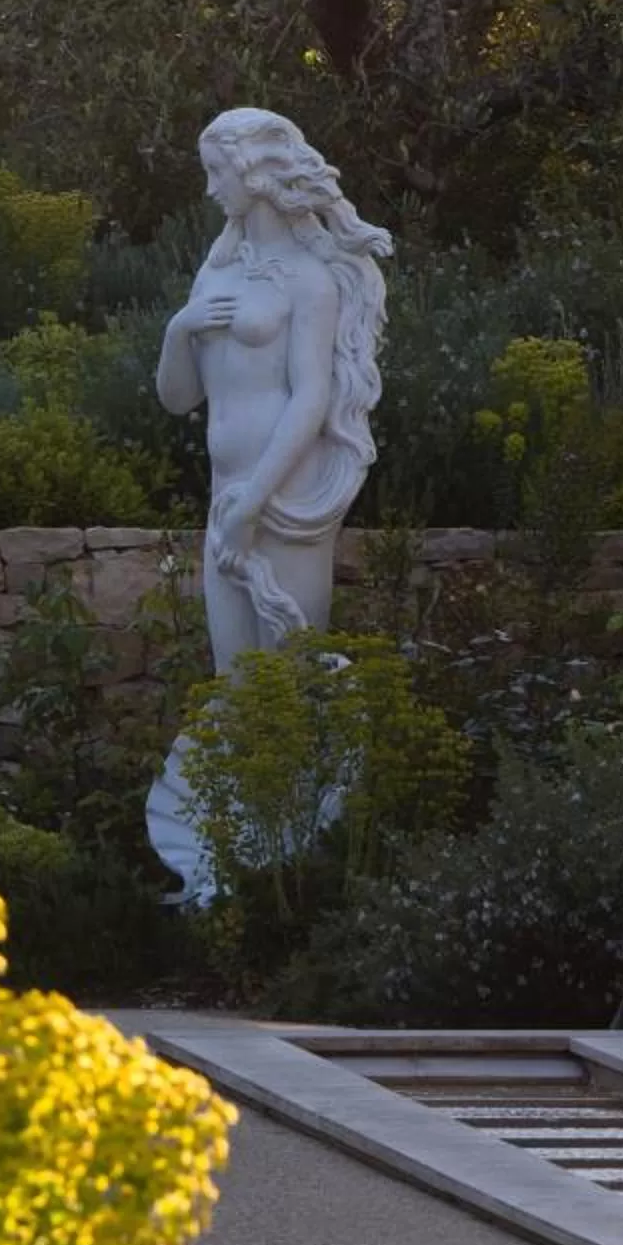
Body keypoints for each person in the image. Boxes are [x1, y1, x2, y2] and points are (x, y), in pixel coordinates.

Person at [147, 109, 393, 902]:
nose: (209, 183)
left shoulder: (310, 281)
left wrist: (257, 496)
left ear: (252, 175)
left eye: (216, 169)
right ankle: (232, 866)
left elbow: (312, 398)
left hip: (286, 500)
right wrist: (181, 329)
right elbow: (178, 399)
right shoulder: (213, 276)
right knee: (234, 686)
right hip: (228, 497)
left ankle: (286, 869)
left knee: (286, 677)